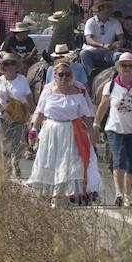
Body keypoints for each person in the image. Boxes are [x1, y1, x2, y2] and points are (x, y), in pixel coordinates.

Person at [27, 58, 101, 207]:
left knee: (72, 164)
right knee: (51, 162)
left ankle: (65, 197)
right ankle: (54, 196)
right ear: (54, 75)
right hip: (51, 132)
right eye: (61, 74)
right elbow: (40, 112)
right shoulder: (48, 91)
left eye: (68, 74)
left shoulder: (79, 91)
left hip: (72, 132)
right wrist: (33, 130)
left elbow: (87, 115)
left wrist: (93, 133)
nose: (64, 78)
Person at [95, 52, 132, 208]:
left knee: (131, 163)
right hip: (115, 128)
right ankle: (119, 192)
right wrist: (96, 123)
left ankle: (128, 194)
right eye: (124, 66)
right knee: (118, 159)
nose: (127, 68)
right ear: (118, 68)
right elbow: (103, 105)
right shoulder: (110, 85)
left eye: (130, 66)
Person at [0, 52, 33, 177]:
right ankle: (6, 166)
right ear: (4, 67)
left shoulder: (22, 80)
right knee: (5, 141)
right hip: (3, 116)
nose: (10, 66)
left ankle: (15, 164)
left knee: (17, 143)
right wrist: (3, 112)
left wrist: (33, 112)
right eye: (7, 64)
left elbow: (29, 97)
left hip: (19, 115)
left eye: (12, 63)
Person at [81, 0, 121, 76]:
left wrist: (118, 43)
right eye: (108, 7)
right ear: (101, 8)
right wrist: (103, 45)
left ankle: (119, 79)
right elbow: (89, 40)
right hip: (92, 52)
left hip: (109, 52)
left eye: (111, 7)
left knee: (119, 56)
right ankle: (91, 76)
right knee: (84, 54)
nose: (111, 9)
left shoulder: (115, 22)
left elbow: (121, 38)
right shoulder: (91, 22)